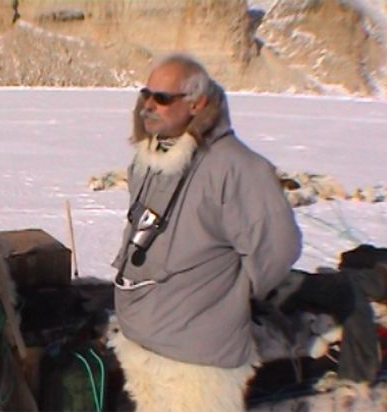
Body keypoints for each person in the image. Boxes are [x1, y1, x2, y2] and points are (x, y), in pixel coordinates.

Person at [110, 53, 302, 411]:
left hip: (195, 362)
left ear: (197, 104)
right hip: (142, 345)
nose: (148, 105)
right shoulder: (150, 157)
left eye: (162, 98)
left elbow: (278, 248)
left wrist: (230, 294)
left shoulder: (237, 168)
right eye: (145, 94)